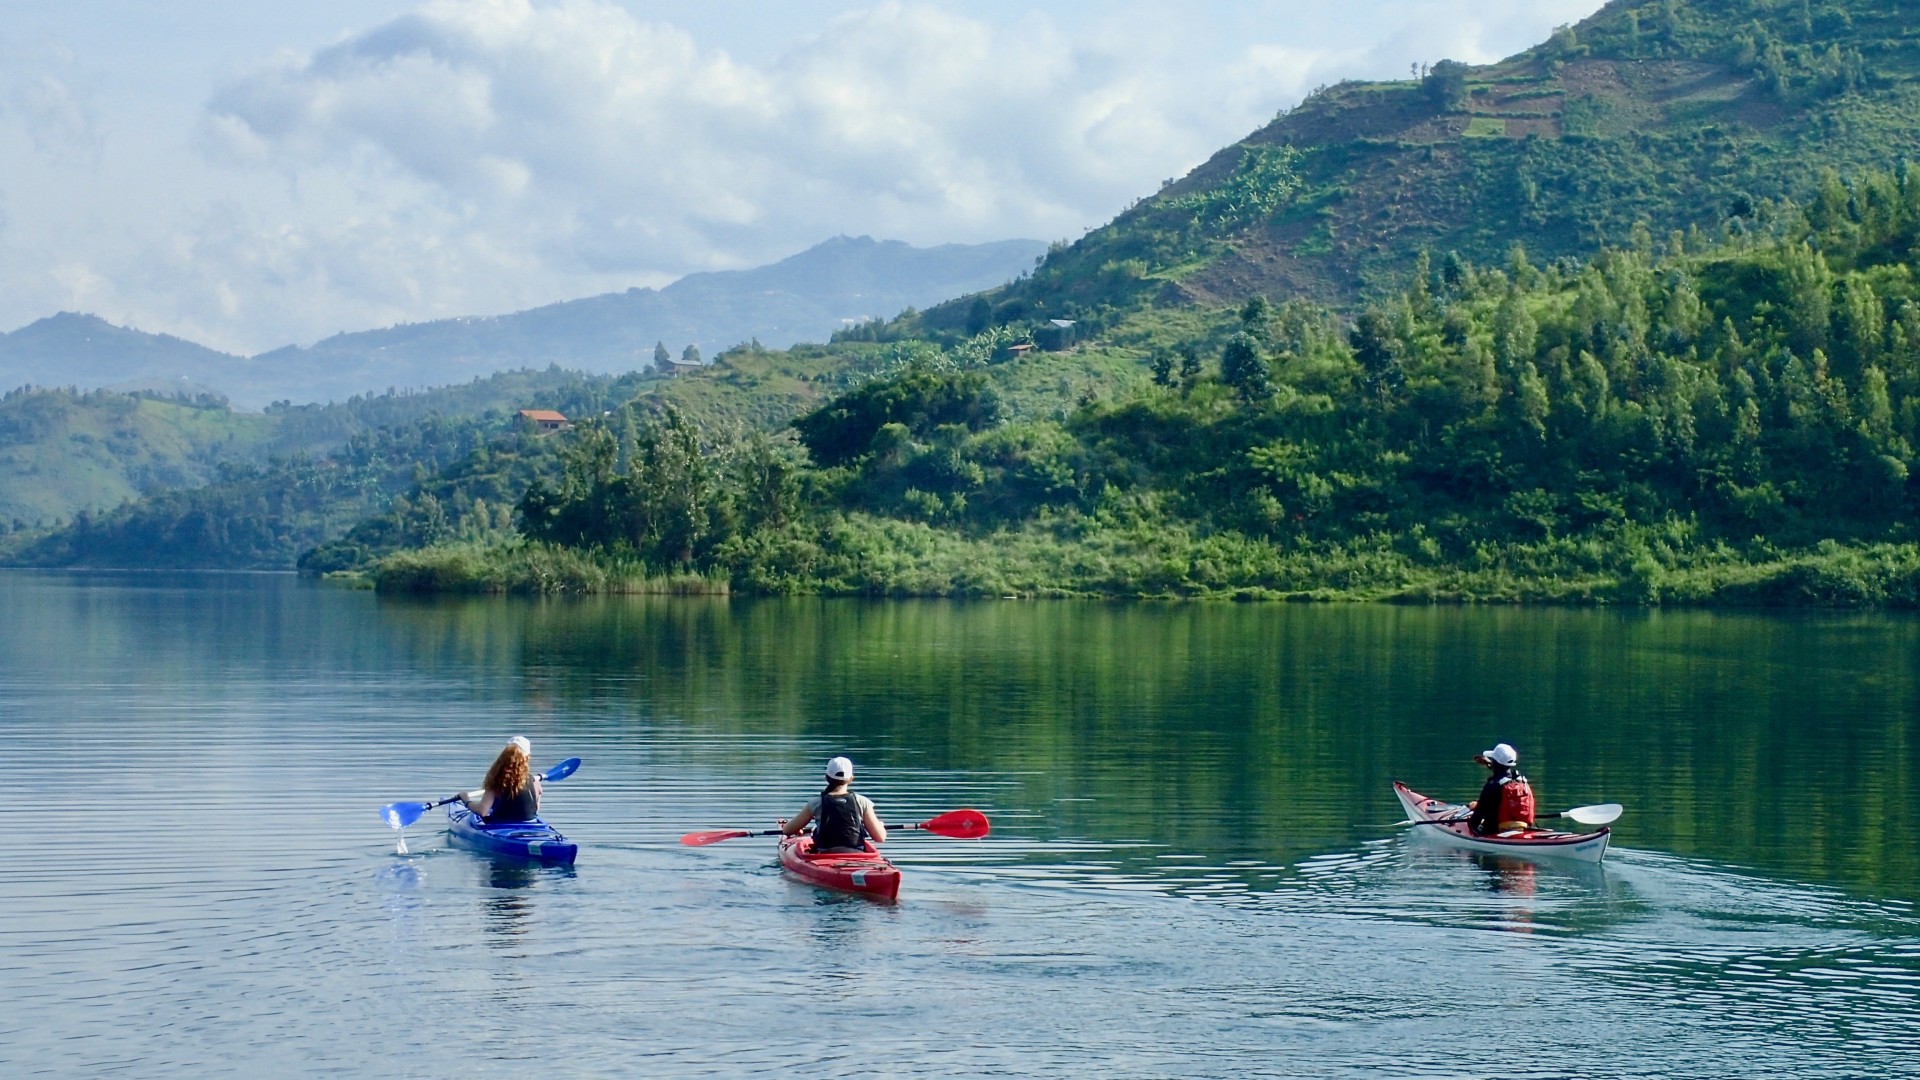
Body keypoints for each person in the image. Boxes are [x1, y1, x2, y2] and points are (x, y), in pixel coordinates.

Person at [781, 756, 888, 853]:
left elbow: (787, 830)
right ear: (851, 779)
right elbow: (880, 837)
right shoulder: (862, 801)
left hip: (825, 854)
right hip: (857, 854)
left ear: (826, 777)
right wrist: (880, 826)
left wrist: (797, 829)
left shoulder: (816, 803)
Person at [461, 736, 542, 824]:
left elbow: (483, 811)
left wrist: (466, 801)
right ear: (527, 757)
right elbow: (535, 809)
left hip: (502, 824)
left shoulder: (496, 779)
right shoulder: (534, 781)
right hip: (531, 824)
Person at [1466, 742, 1535, 836]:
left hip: (1494, 831)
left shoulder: (1492, 786)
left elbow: (1476, 819)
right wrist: (1489, 763)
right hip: (1522, 828)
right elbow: (1504, 774)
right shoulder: (1521, 781)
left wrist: (1471, 824)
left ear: (1495, 763)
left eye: (1492, 760)